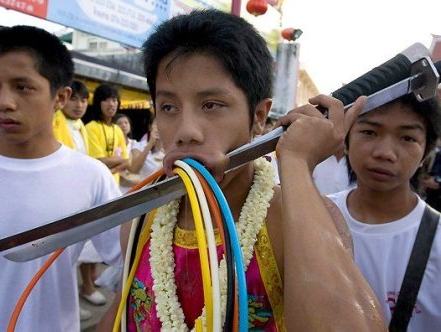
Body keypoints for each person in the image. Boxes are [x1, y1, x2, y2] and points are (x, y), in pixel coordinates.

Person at [97, 9, 385, 331]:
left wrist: (296, 164)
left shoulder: (297, 220)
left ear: (260, 116)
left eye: (211, 105)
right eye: (168, 107)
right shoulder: (139, 220)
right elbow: (123, 311)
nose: (186, 130)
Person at [0, 25, 122, 331]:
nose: (3, 102)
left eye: (22, 87)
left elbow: (136, 263)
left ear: (60, 97)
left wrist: (109, 324)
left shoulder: (90, 177)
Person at [328, 93, 441, 330]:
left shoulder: (437, 240)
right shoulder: (313, 216)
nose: (385, 153)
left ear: (425, 153)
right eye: (370, 132)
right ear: (346, 139)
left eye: (408, 138)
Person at [52, 79, 112, 316]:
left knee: (82, 251)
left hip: (82, 194)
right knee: (60, 256)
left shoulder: (81, 126)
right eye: (74, 98)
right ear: (62, 98)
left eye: (83, 100)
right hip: (61, 192)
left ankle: (75, 298)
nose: (78, 105)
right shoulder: (55, 120)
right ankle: (68, 302)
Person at [86, 83, 130, 184]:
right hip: (96, 184)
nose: (111, 104)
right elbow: (98, 161)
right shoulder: (91, 127)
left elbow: (128, 162)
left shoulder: (117, 129)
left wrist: (111, 171)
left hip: (114, 185)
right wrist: (119, 160)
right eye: (106, 100)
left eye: (114, 100)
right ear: (98, 103)